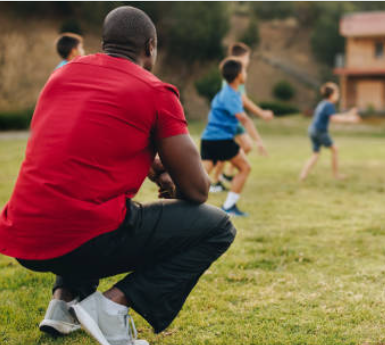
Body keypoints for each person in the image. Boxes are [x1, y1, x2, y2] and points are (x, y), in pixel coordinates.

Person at [0, 7, 236, 345]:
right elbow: (198, 189)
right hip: (81, 235)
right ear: (150, 46)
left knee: (84, 197)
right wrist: (172, 182)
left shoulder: (62, 76)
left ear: (104, 43)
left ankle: (63, 303)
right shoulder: (156, 92)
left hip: (24, 235)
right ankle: (110, 308)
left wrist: (156, 168)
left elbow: (83, 145)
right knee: (218, 227)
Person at [201, 58, 263, 217]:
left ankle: (181, 201)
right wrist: (259, 141)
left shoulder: (228, 93)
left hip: (209, 139)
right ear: (238, 76)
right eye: (244, 71)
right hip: (220, 140)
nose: (246, 73)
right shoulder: (231, 95)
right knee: (245, 168)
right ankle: (229, 206)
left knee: (201, 175)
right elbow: (244, 119)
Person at [210, 42, 273, 193]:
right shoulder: (236, 74)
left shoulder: (236, 72)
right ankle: (216, 181)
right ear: (242, 57)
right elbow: (243, 100)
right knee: (226, 151)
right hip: (230, 118)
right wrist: (261, 113)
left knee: (245, 146)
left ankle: (224, 176)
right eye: (248, 57)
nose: (249, 60)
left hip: (233, 117)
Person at [299, 82, 361, 181]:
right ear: (331, 95)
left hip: (312, 130)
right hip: (320, 131)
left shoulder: (323, 103)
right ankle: (336, 175)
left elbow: (334, 115)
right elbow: (334, 118)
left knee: (316, 154)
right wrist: (350, 119)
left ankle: (303, 175)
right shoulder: (329, 105)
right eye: (337, 93)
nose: (338, 95)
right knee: (335, 149)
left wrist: (349, 114)